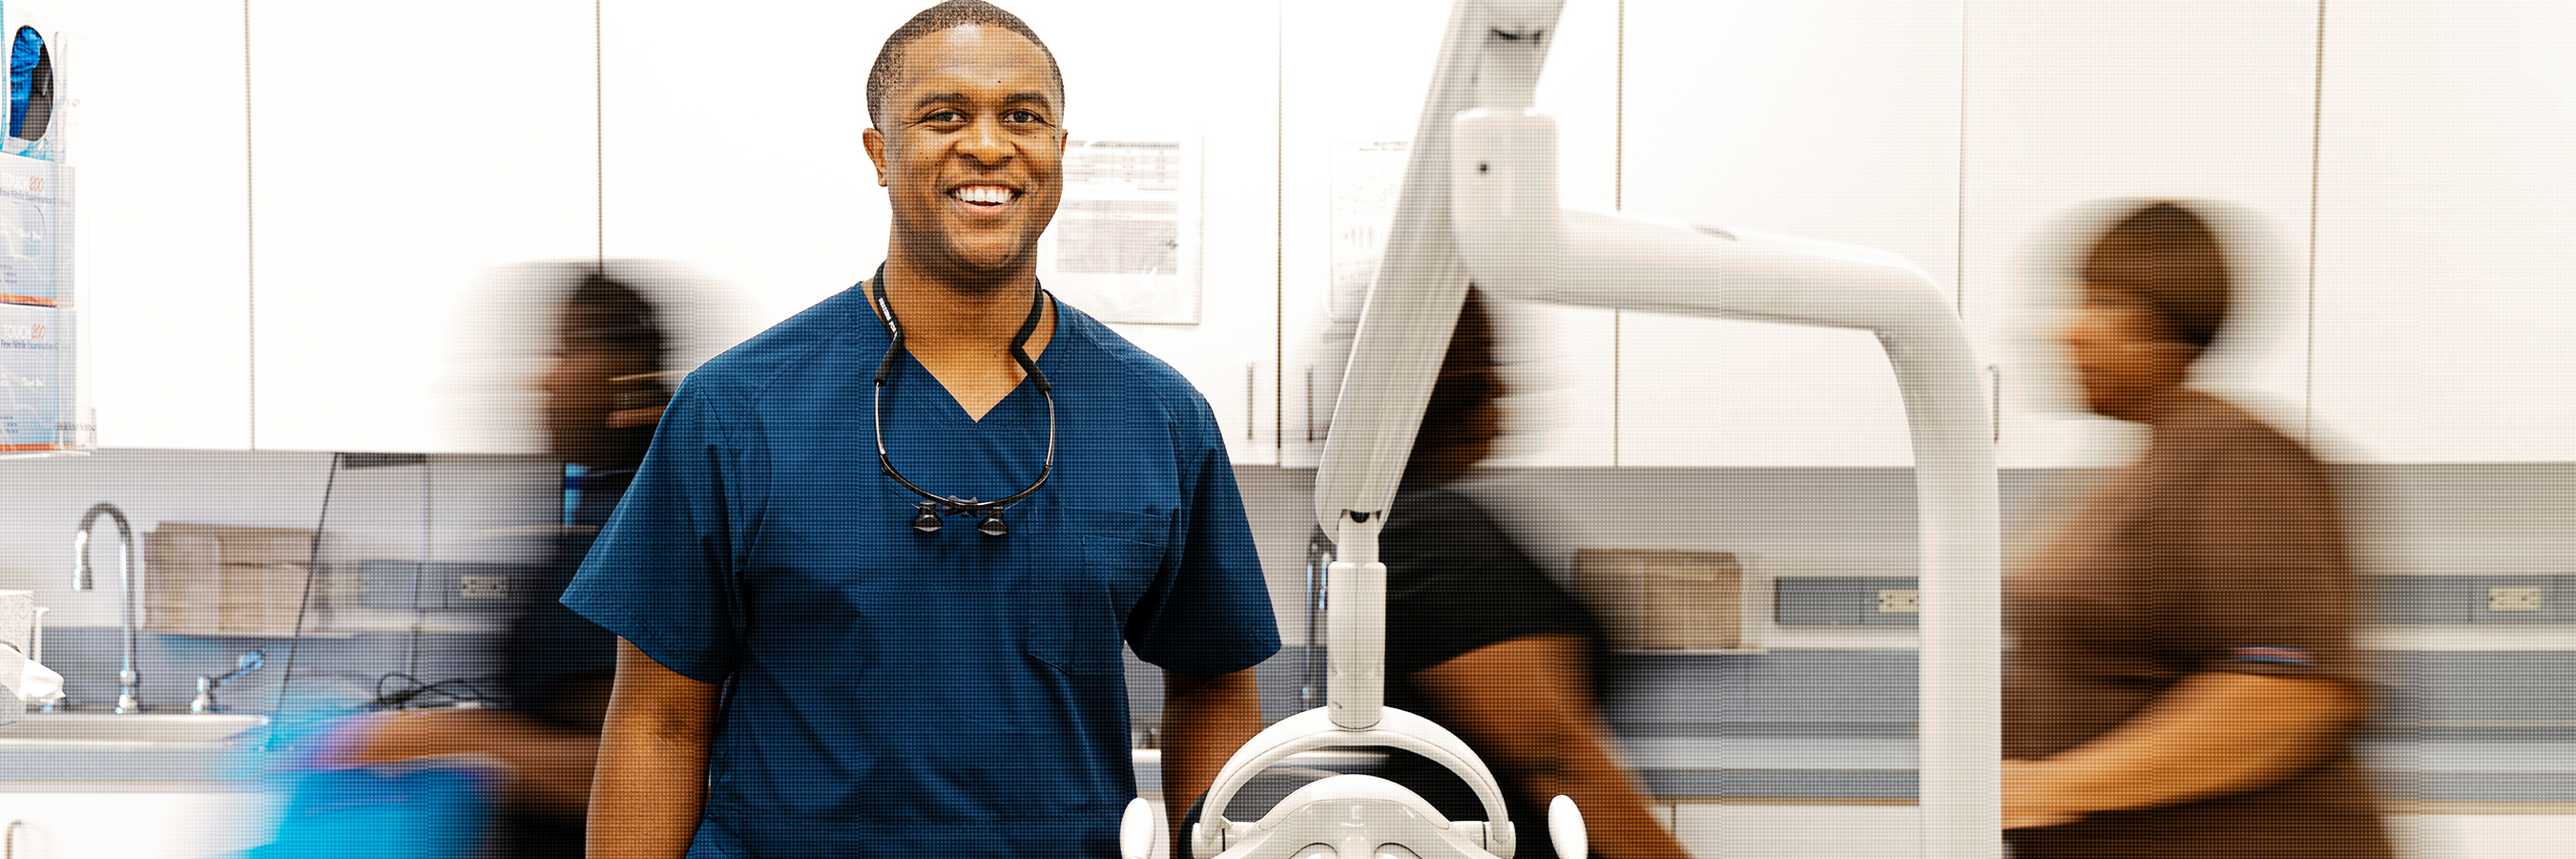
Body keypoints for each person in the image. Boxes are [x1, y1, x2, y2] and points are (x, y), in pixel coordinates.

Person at [558, 3, 1280, 857]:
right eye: (944, 116)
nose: (988, 144)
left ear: (1057, 148)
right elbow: (658, 721)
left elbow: (1213, 683)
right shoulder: (735, 411)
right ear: (878, 154)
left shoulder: (1158, 415)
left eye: (1022, 115)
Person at [1999, 201, 2392, 857]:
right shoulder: (2136, 470)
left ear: (2172, 326)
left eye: (2105, 306)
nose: (2069, 331)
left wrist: (2044, 787)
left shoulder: (2239, 458)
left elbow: (2284, 696)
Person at [1366, 289, 1693, 859]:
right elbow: (1553, 754)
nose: (1504, 384)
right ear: (1437, 382)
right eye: (1485, 360)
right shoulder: (1439, 534)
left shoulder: (1402, 521)